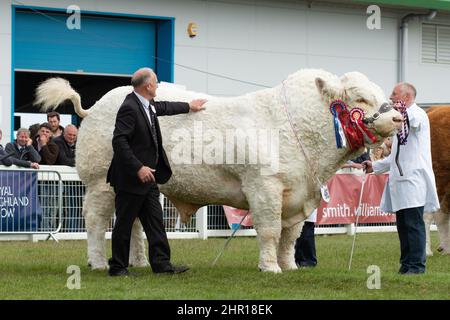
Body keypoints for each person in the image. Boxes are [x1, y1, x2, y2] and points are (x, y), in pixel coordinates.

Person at [106, 67, 207, 277]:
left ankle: (162, 265)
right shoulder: (129, 107)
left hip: (149, 179)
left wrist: (189, 106)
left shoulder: (147, 103)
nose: (159, 86)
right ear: (148, 86)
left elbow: (164, 107)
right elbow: (119, 140)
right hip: (131, 179)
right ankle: (117, 267)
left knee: (155, 222)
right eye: (157, 82)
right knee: (124, 224)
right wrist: (138, 168)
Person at [362, 83, 440, 275]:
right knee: (404, 227)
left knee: (414, 225)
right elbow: (394, 157)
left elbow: (413, 122)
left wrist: (398, 113)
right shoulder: (399, 124)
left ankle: (416, 266)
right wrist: (375, 166)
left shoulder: (417, 114)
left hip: (414, 181)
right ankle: (406, 264)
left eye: (394, 94)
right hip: (400, 181)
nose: (390, 96)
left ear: (406, 96)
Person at [53, 124, 79, 231]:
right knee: (59, 207)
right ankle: (59, 230)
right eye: (69, 135)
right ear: (64, 134)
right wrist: (79, 162)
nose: (72, 137)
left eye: (74, 135)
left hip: (75, 181)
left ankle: (73, 230)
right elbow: (63, 160)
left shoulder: (80, 142)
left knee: (75, 206)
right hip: (59, 180)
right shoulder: (57, 142)